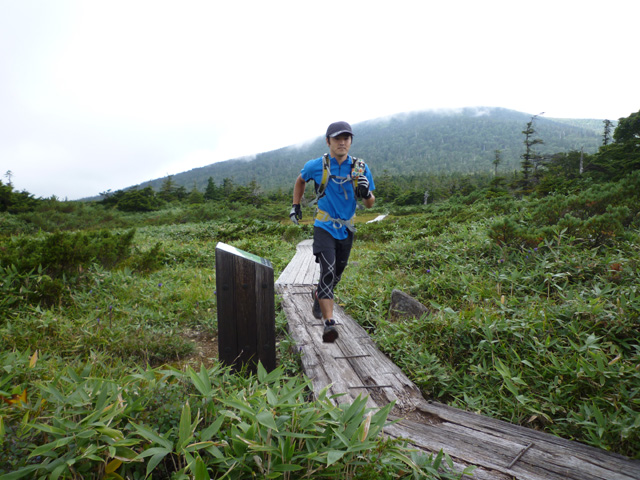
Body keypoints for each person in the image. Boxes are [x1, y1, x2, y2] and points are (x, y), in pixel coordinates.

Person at [290, 121, 375, 342]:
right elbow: (300, 181)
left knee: (337, 274)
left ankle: (318, 294)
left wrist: (366, 193)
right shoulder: (315, 165)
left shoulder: (360, 168)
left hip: (347, 229)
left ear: (351, 141)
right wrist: (296, 205)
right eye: (337, 138)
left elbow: (370, 204)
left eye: (346, 138)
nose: (342, 142)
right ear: (328, 141)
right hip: (324, 226)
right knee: (327, 271)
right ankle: (329, 323)